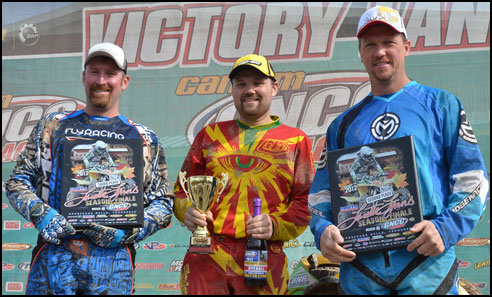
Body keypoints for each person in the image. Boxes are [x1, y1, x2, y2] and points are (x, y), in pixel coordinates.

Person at [308, 6, 489, 295]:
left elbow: (473, 179)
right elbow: (321, 194)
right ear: (361, 53)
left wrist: (446, 228)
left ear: (405, 47)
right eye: (371, 45)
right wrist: (323, 230)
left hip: (427, 269)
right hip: (361, 273)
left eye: (388, 43)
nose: (380, 52)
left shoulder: (442, 105)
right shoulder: (341, 126)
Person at [5, 43, 174, 295]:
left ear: (124, 81)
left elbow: (162, 202)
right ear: (84, 76)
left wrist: (131, 232)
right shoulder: (52, 126)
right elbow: (18, 181)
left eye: (110, 74)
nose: (101, 81)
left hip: (114, 263)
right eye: (94, 72)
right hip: (54, 258)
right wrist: (43, 215)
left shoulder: (144, 138)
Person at [173, 54, 315, 294]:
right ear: (232, 90)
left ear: (274, 87)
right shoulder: (208, 135)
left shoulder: (295, 140)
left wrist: (275, 225)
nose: (249, 90)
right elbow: (181, 191)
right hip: (206, 255)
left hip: (263, 256)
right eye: (241, 84)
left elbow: (306, 202)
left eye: (258, 83)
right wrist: (186, 211)